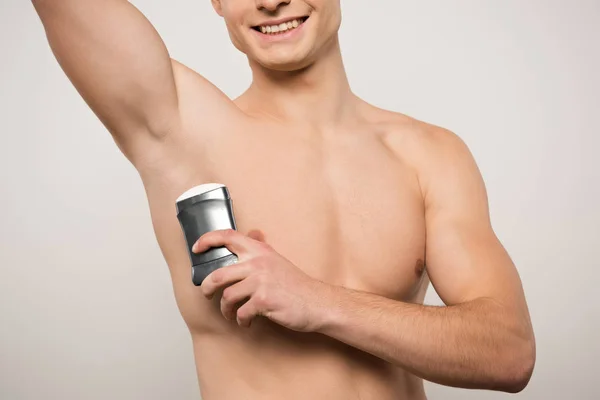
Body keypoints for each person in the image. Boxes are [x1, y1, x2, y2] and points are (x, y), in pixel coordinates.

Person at [31, 0, 536, 398]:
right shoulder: (180, 130)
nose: (272, 1)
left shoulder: (429, 156)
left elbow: (508, 354)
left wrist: (314, 300)